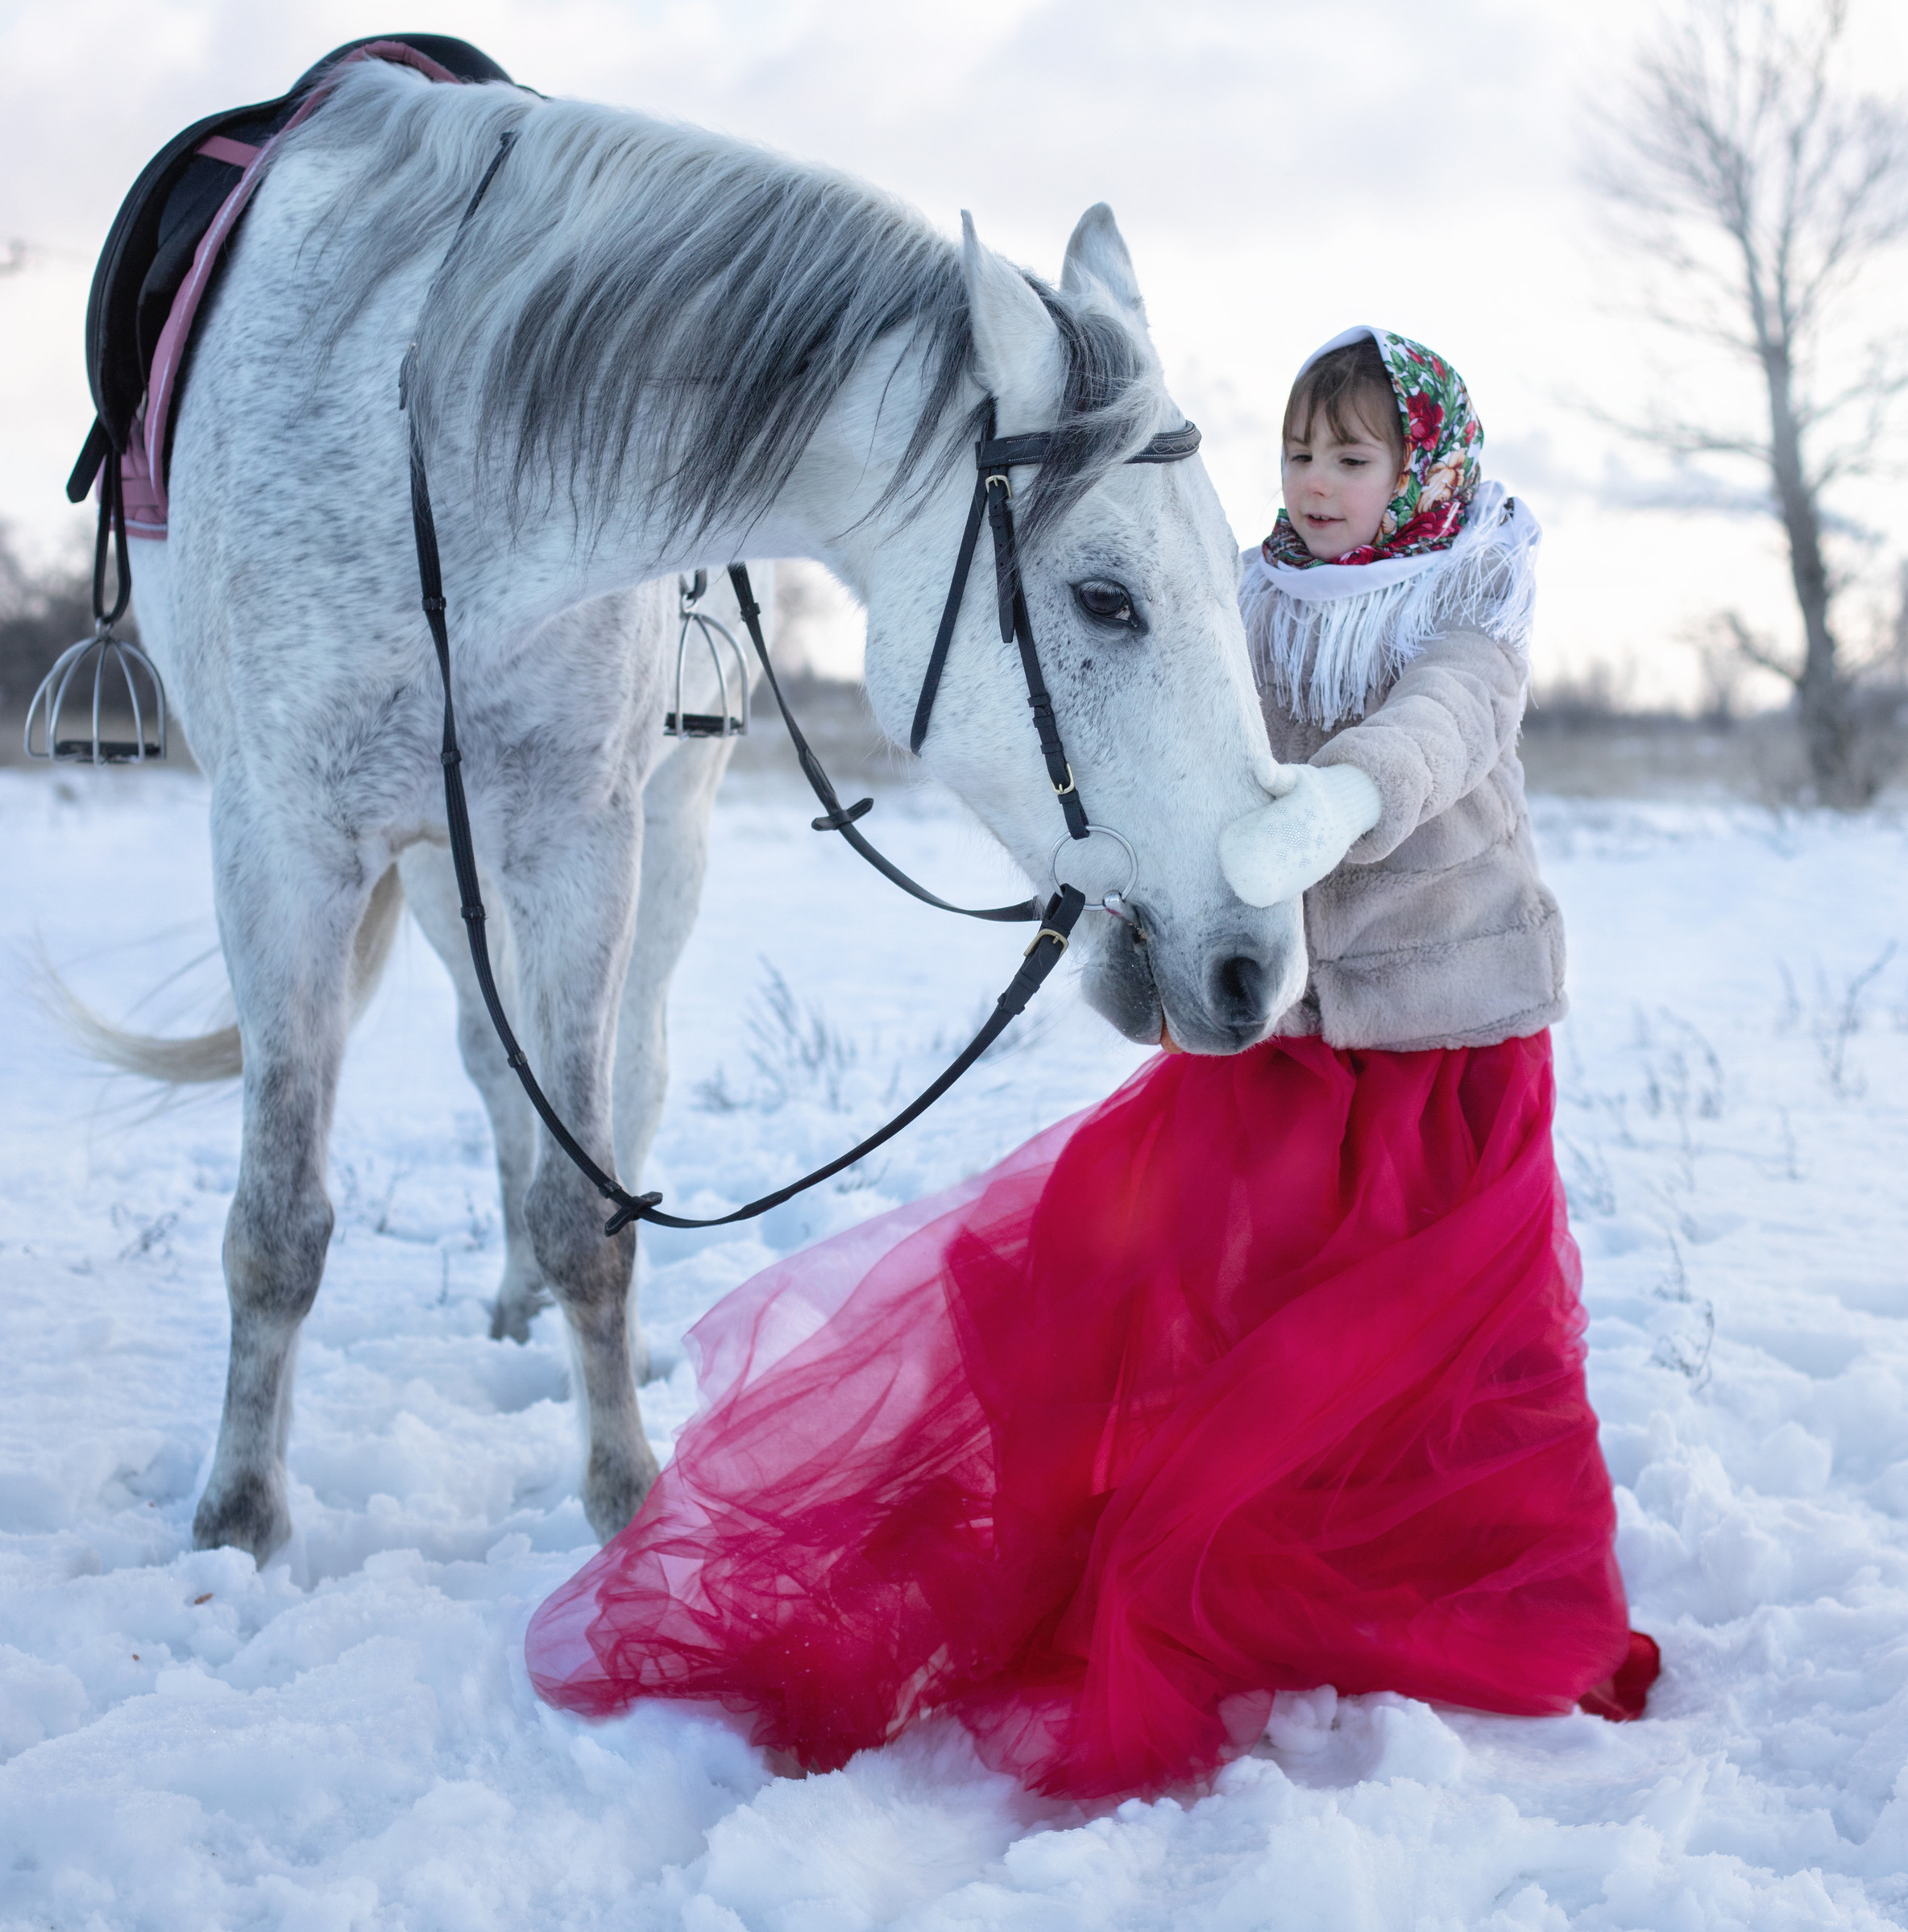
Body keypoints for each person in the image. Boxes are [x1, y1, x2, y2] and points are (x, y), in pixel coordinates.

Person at [525, 325, 1658, 1799]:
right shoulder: (1244, 597)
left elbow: (1444, 732)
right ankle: (1228, 1559)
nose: (1316, 484)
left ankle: (1455, 1591)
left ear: (1423, 472)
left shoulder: (1468, 603)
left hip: (1450, 1040)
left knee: (1443, 1346)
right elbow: (1175, 742)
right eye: (1300, 454)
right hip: (1288, 1032)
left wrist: (1339, 802)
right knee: (1176, 1289)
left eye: (1352, 459)